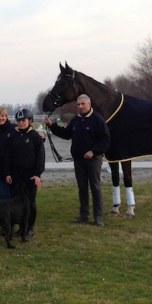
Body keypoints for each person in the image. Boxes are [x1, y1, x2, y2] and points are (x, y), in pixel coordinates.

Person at [44, 94, 111, 227]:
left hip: (93, 160)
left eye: (82, 104)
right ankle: (83, 215)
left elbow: (105, 139)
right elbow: (66, 134)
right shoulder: (75, 120)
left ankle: (98, 216)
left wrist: (93, 151)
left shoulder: (97, 119)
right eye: (78, 104)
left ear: (89, 104)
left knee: (95, 187)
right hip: (78, 160)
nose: (80, 106)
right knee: (82, 188)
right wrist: (52, 126)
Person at [5, 108, 45, 238]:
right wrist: (8, 173)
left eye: (23, 120)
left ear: (30, 120)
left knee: (30, 202)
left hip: (30, 174)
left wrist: (38, 174)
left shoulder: (35, 136)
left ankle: (30, 227)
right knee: (17, 202)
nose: (21, 123)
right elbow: (8, 156)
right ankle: (21, 227)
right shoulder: (12, 135)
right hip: (16, 174)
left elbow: (40, 156)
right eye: (19, 120)